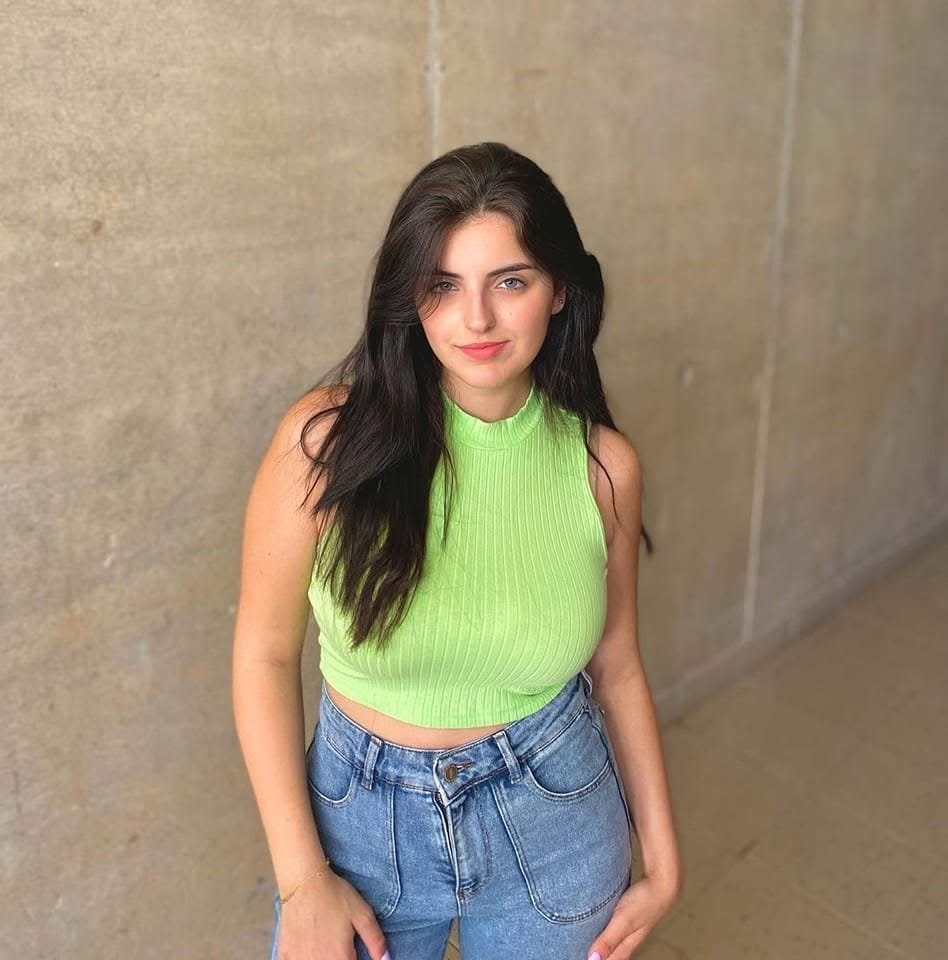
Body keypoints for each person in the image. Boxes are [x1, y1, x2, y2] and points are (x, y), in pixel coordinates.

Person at [232, 141, 682, 960]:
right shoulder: (325, 443)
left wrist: (665, 862)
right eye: (443, 285)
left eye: (510, 282)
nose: (475, 320)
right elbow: (263, 654)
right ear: (411, 296)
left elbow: (617, 666)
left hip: (555, 813)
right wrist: (302, 881)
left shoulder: (603, 469)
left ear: (558, 291)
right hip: (357, 828)